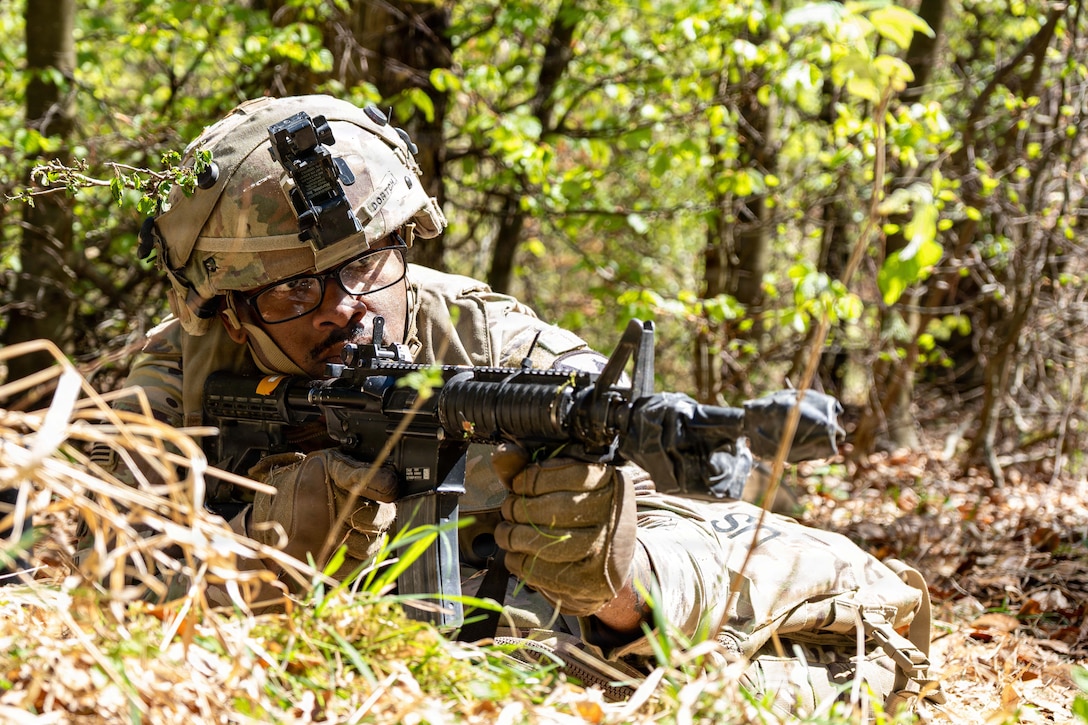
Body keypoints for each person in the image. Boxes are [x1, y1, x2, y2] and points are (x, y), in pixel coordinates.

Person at [109, 94, 939, 713]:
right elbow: (80, 574)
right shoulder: (173, 381)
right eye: (293, 290)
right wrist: (266, 547)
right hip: (293, 672)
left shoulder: (483, 339)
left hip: (490, 623)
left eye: (368, 263)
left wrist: (616, 582)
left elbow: (654, 514)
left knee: (850, 620)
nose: (345, 307)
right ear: (226, 306)